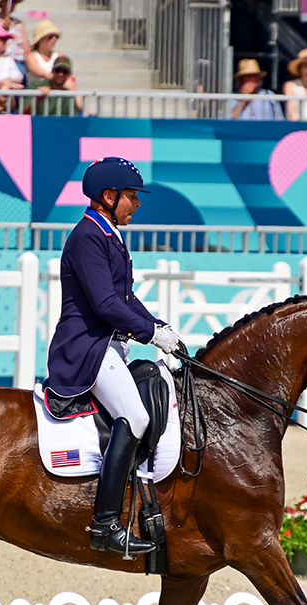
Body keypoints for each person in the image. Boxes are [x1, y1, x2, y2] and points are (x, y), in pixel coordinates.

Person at [45, 158, 181, 556]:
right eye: (131, 197)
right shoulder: (88, 237)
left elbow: (125, 298)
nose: (136, 204)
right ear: (109, 197)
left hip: (108, 344)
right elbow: (105, 303)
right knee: (135, 416)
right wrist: (150, 334)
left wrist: (157, 325)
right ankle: (105, 524)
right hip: (86, 348)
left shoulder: (109, 235)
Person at [0, 0, 28, 80]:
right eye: (12, 2)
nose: (13, 4)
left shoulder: (19, 23)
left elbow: (26, 47)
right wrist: (3, 28)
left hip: (18, 62)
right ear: (2, 2)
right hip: (2, 61)